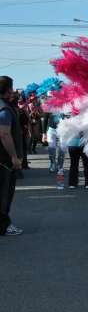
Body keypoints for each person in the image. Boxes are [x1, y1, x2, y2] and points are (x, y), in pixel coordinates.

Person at [0, 76, 23, 236]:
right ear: (8, 90)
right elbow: (4, 133)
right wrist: (14, 157)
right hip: (4, 160)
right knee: (4, 194)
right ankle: (4, 226)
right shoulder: (4, 109)